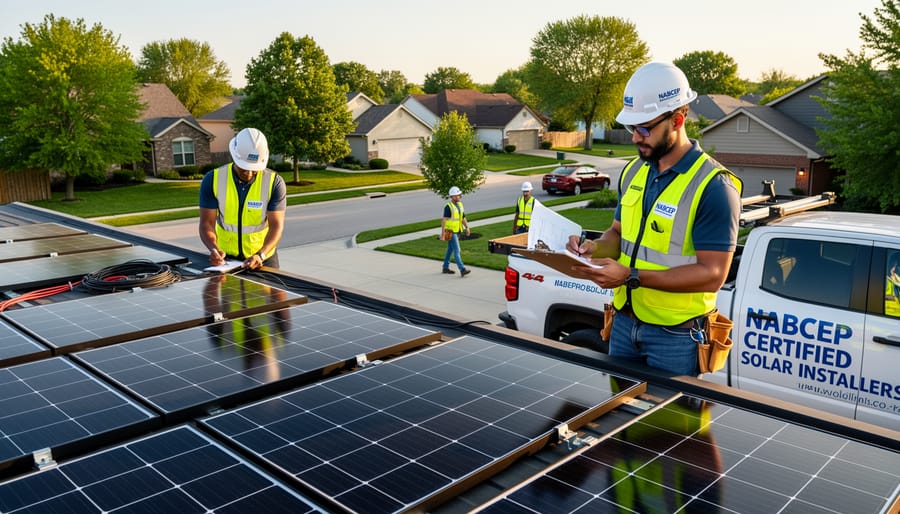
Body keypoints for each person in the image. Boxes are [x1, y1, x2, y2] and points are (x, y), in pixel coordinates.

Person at [566, 62, 742, 376]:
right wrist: (593, 248)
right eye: (631, 128)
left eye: (644, 128)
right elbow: (617, 234)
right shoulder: (633, 172)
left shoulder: (714, 186)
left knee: (666, 411)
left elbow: (713, 274)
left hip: (676, 336)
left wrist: (630, 276)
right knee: (619, 405)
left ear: (678, 119)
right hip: (623, 323)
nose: (636, 137)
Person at [199, 128, 287, 270]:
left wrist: (261, 254)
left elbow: (276, 226)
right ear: (235, 157)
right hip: (225, 259)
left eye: (254, 169)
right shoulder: (213, 179)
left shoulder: (274, 183)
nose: (249, 173)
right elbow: (206, 223)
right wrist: (214, 249)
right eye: (244, 168)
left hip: (263, 258)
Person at [440, 186, 471, 276]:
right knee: (457, 250)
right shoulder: (448, 207)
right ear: (452, 196)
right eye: (457, 195)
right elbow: (444, 220)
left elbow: (463, 217)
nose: (459, 196)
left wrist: (467, 227)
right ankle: (462, 269)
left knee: (450, 250)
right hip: (450, 231)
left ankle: (445, 268)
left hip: (457, 230)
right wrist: (443, 234)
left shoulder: (460, 204)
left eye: (459, 195)